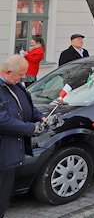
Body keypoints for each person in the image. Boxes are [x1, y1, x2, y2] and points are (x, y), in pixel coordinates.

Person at [0, 55, 46, 217]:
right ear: (8, 72)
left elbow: (28, 107)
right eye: (20, 74)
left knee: (5, 192)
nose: (23, 77)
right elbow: (3, 120)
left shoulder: (17, 85)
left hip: (13, 151)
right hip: (3, 151)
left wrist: (40, 117)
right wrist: (30, 128)